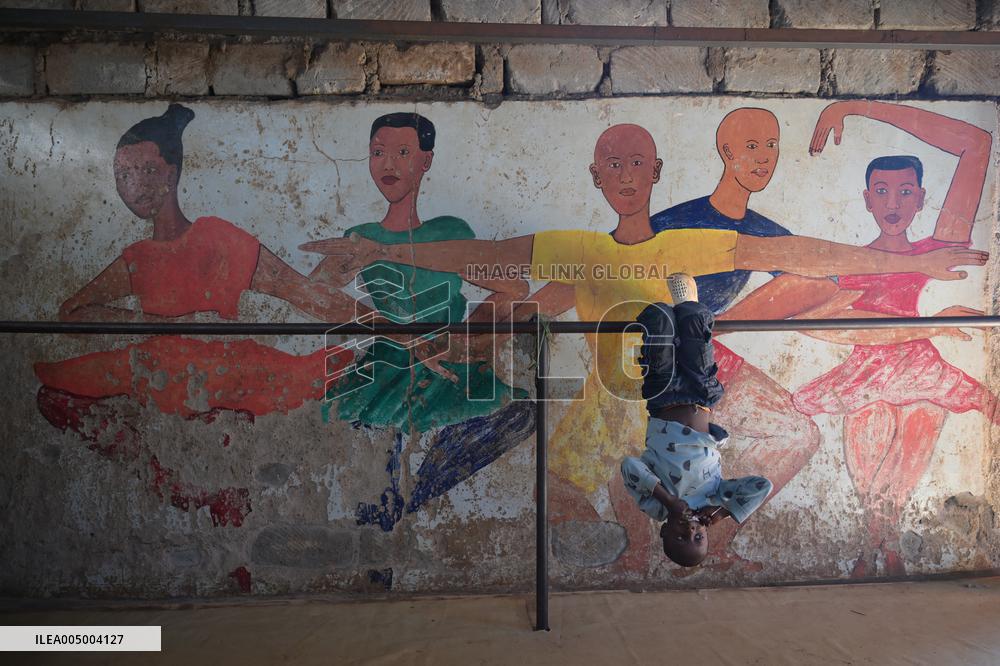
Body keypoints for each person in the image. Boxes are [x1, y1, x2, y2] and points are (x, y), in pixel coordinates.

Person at [301, 121, 986, 566]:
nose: (625, 175)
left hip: (675, 392)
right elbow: (484, 250)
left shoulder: (685, 241)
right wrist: (375, 248)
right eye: (611, 165)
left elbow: (798, 251)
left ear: (655, 173)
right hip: (626, 394)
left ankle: (680, 515)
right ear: (597, 178)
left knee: (686, 344)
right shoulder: (575, 249)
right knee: (610, 426)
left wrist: (913, 265)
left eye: (637, 164)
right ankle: (638, 543)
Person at [791, 101, 996, 576]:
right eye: (882, 191)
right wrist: (932, 322)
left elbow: (976, 145)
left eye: (905, 192)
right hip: (867, 370)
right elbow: (811, 321)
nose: (893, 204)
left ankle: (878, 552)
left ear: (922, 198)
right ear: (866, 199)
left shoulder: (936, 247)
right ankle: (877, 549)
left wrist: (854, 107)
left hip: (921, 368)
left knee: (913, 439)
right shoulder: (852, 261)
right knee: (871, 442)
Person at [621, 273, 772, 567]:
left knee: (659, 321)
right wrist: (721, 513)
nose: (689, 531)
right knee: (696, 336)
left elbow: (630, 467)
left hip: (661, 398)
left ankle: (668, 313)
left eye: (680, 537)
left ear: (664, 531)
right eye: (698, 538)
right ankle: (687, 301)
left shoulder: (655, 505)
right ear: (705, 531)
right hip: (701, 398)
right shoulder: (716, 498)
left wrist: (669, 502)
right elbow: (762, 486)